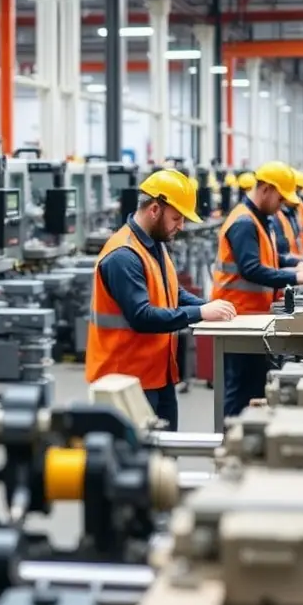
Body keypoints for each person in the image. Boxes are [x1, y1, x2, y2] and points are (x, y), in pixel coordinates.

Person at [87, 169, 237, 430]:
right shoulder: (123, 255)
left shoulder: (154, 245)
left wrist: (206, 306)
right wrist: (201, 314)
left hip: (157, 375)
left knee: (165, 450)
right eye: (176, 218)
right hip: (125, 382)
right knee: (139, 454)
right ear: (155, 209)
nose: (181, 226)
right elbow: (142, 317)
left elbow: (172, 293)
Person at [212, 161, 303, 417]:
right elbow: (252, 269)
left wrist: (297, 263)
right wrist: (298, 276)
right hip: (237, 316)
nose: (282, 205)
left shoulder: (260, 218)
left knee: (254, 384)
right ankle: (231, 434)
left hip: (252, 316)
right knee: (239, 389)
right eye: (280, 198)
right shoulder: (244, 222)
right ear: (266, 189)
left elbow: (269, 258)